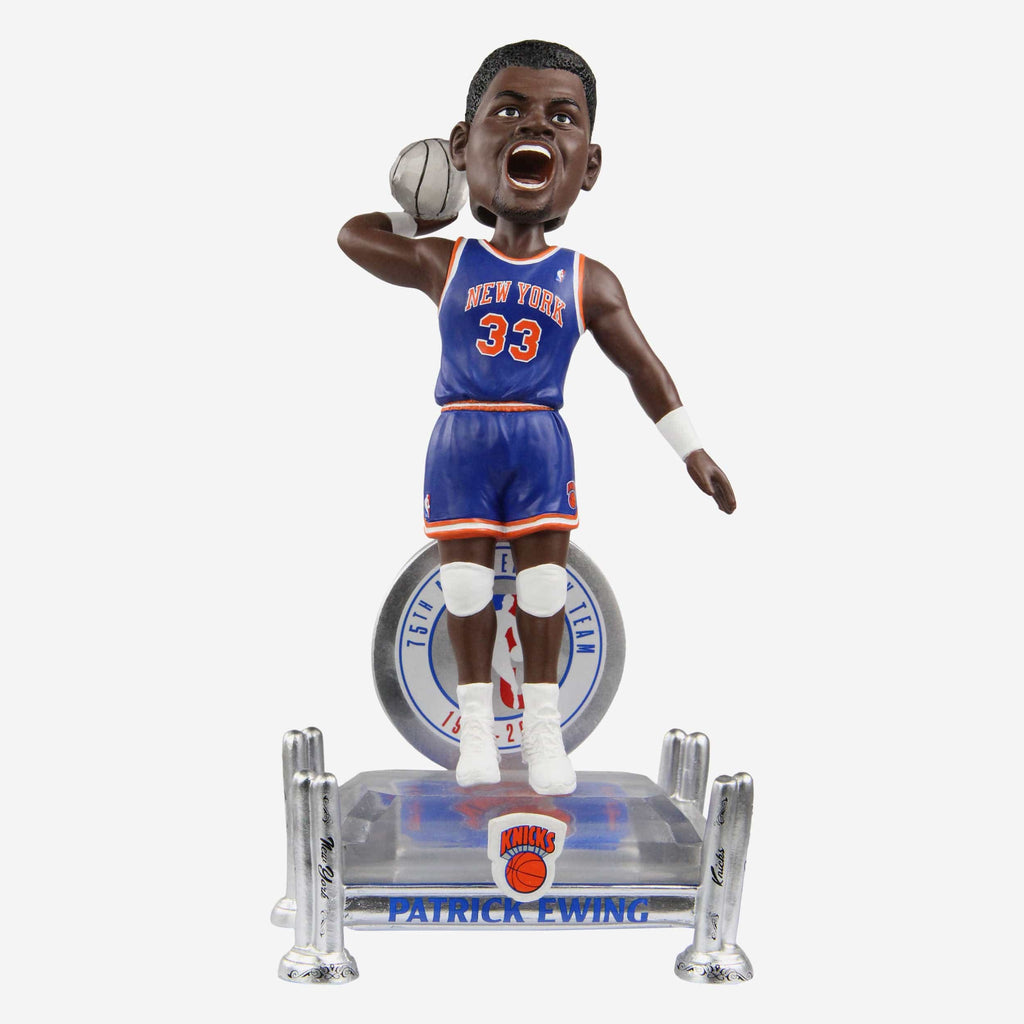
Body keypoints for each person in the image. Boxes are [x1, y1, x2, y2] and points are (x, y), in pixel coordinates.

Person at [338, 40, 735, 797]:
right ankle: (476, 730)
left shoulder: (587, 278)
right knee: (464, 590)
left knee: (546, 589)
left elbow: (643, 368)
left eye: (562, 117)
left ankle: (544, 728)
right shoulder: (448, 260)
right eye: (511, 110)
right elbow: (353, 236)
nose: (536, 127)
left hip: (539, 436)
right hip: (462, 434)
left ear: (589, 166)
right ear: (465, 147)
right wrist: (419, 213)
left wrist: (692, 449)